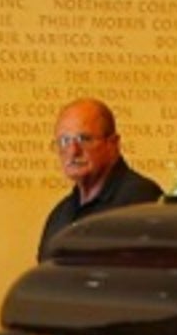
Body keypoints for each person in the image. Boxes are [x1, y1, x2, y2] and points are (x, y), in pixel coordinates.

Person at [36, 96, 165, 259]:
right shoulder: (60, 213)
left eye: (84, 139)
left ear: (113, 144)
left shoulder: (140, 200)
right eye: (64, 141)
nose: (73, 151)